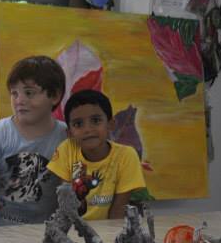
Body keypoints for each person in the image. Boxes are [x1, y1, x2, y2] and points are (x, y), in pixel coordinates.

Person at [0, 56, 68, 224]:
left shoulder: (66, 137)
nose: (19, 100)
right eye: (14, 93)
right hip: (0, 230)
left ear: (55, 95)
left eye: (29, 93)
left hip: (48, 232)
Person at [46, 89, 146, 220]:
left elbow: (118, 210)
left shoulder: (127, 155)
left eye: (96, 120)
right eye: (78, 124)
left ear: (111, 124)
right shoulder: (66, 149)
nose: (88, 129)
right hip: (73, 225)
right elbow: (66, 204)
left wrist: (108, 233)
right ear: (69, 133)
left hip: (109, 227)